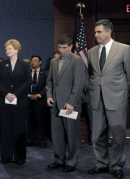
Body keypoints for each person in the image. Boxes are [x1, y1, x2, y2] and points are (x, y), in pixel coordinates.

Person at [86, 19, 130, 179]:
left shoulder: (125, 49)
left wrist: (124, 94)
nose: (96, 34)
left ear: (109, 31)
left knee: (118, 136)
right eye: (95, 32)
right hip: (96, 99)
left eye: (99, 31)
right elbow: (91, 75)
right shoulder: (91, 52)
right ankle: (101, 164)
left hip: (116, 99)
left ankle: (118, 166)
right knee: (96, 135)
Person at [46, 34, 85, 173]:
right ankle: (59, 159)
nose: (61, 50)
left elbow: (78, 84)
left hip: (70, 106)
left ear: (71, 47)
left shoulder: (77, 61)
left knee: (71, 136)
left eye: (64, 48)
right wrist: (49, 96)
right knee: (57, 135)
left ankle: (72, 161)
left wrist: (72, 102)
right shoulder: (53, 61)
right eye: (59, 47)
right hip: (55, 104)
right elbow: (49, 81)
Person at [0, 39, 31, 165]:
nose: (7, 51)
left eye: (10, 48)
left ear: (17, 50)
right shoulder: (2, 65)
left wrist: (15, 94)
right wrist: (6, 94)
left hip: (19, 102)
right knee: (5, 130)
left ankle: (19, 157)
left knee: (19, 129)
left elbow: (28, 81)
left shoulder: (25, 65)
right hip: (4, 102)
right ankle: (6, 156)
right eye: (6, 49)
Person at [26, 55, 49, 148]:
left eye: (35, 60)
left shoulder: (45, 73)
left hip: (41, 100)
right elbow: (23, 85)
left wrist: (39, 95)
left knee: (41, 122)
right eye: (32, 60)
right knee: (29, 122)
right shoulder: (27, 73)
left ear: (40, 62)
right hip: (29, 100)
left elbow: (48, 86)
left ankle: (42, 140)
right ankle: (29, 140)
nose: (33, 62)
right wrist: (28, 95)